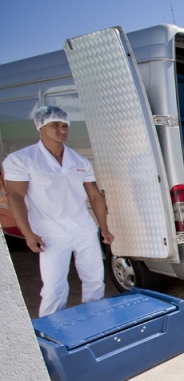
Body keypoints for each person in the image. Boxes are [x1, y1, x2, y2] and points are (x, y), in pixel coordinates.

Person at [3, 106, 114, 317]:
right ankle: (51, 333)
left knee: (94, 280)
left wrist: (103, 228)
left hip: (84, 229)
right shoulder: (22, 159)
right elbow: (15, 196)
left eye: (64, 125)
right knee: (54, 289)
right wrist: (27, 233)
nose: (62, 130)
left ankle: (96, 321)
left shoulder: (79, 161)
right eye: (55, 125)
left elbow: (94, 196)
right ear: (40, 126)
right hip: (50, 233)